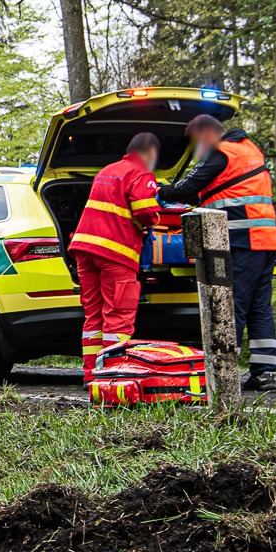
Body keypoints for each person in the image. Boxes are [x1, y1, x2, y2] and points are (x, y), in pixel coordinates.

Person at [158, 114, 276, 391]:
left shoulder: (220, 152)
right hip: (266, 239)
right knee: (259, 307)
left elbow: (190, 186)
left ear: (206, 134)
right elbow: (215, 189)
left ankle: (224, 372)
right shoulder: (249, 150)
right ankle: (264, 373)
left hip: (240, 239)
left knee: (232, 303)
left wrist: (161, 191)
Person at [69, 132, 163, 382]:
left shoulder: (107, 171)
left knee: (94, 316)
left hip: (85, 251)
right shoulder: (141, 173)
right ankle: (113, 375)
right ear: (150, 153)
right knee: (118, 316)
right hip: (116, 253)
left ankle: (91, 374)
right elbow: (145, 210)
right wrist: (156, 220)